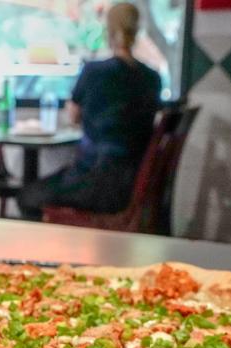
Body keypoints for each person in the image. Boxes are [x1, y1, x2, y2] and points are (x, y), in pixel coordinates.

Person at [17, 3, 161, 221]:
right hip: (134, 183)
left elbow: (73, 116)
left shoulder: (95, 72)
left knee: (28, 197)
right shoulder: (152, 78)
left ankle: (48, 252)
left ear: (108, 32)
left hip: (96, 181)